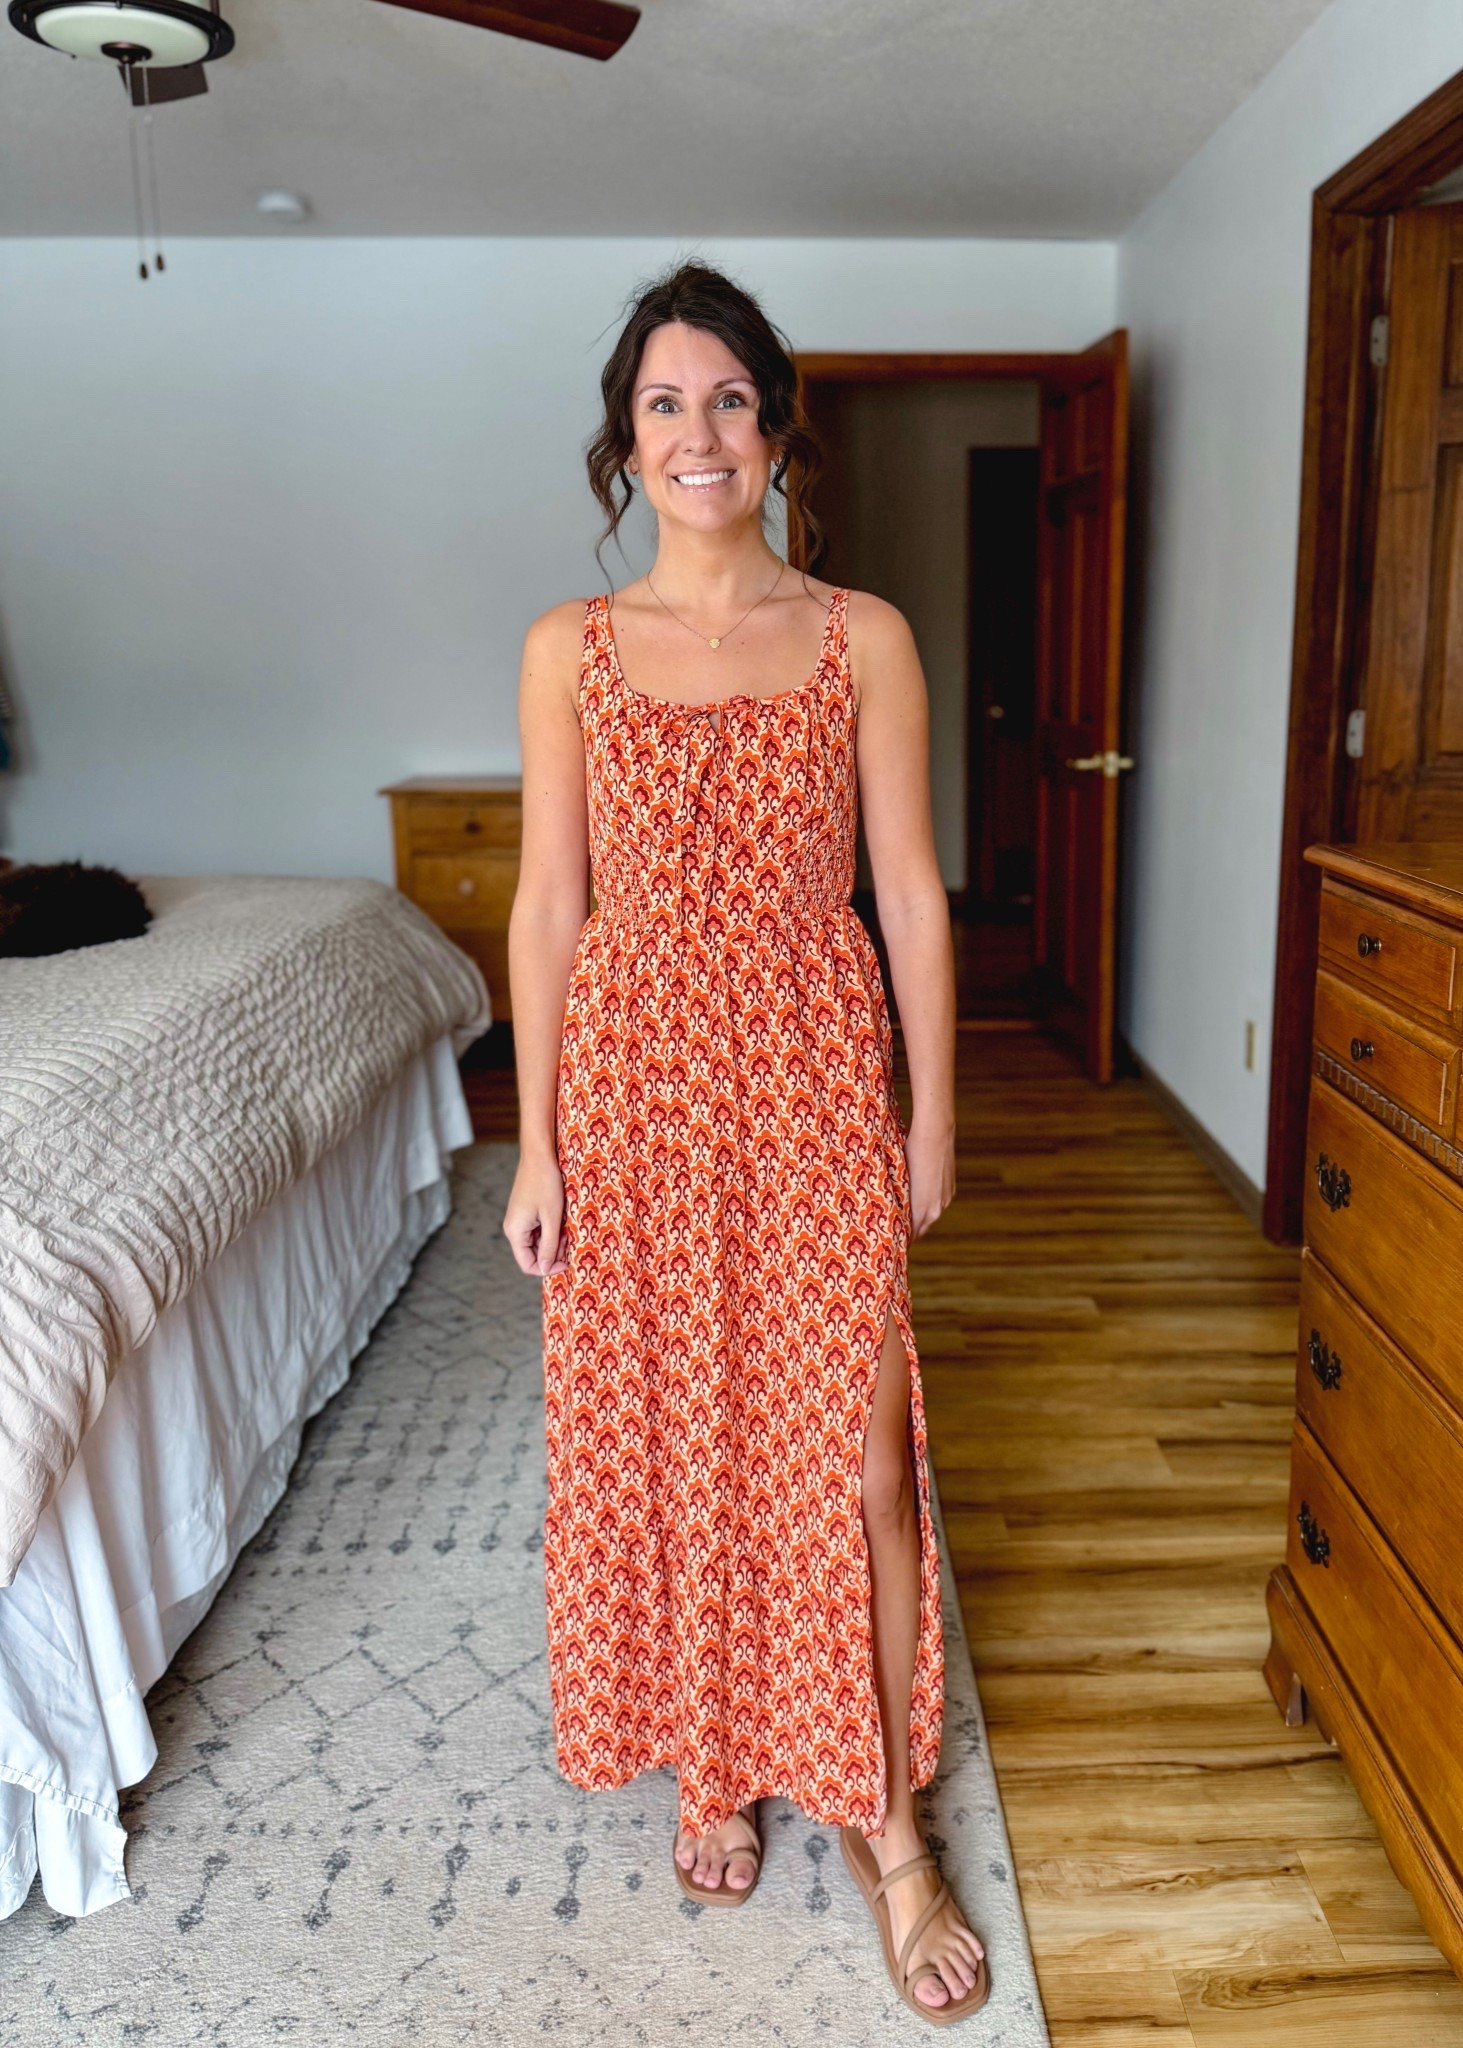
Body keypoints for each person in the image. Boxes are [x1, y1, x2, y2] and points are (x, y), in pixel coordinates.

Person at [504, 260, 988, 2023]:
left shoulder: (865, 636)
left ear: (776, 429)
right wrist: (535, 1146)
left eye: (727, 398)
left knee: (856, 1466)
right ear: (625, 442)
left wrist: (934, 1113)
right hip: (633, 1089)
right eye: (664, 402)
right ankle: (713, 1762)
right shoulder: (569, 648)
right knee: (682, 1444)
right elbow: (550, 906)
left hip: (809, 1076)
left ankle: (892, 1828)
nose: (697, 431)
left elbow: (910, 894)